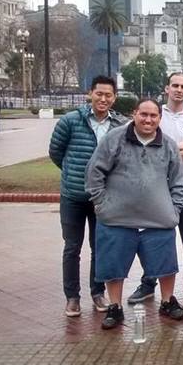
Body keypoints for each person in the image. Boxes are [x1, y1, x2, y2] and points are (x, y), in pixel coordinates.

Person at [85, 99, 183, 329]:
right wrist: (101, 204)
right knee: (113, 266)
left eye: (153, 116)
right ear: (135, 114)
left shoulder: (169, 145)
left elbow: (179, 182)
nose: (148, 120)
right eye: (144, 114)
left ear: (159, 118)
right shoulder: (114, 139)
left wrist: (174, 210)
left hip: (159, 219)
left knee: (166, 265)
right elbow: (94, 172)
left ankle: (167, 301)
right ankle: (115, 307)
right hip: (116, 218)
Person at [48, 75, 126, 318]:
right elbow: (56, 152)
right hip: (73, 195)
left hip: (102, 198)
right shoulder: (71, 121)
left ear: (114, 98)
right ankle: (72, 297)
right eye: (99, 94)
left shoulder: (120, 125)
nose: (103, 99)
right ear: (90, 94)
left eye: (108, 95)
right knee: (72, 247)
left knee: (100, 246)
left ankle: (97, 292)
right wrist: (73, 173)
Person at [127, 73, 183, 304]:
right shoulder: (154, 114)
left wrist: (166, 148)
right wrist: (180, 146)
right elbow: (145, 146)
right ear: (167, 88)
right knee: (153, 237)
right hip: (156, 185)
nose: (179, 90)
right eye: (175, 85)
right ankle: (148, 282)